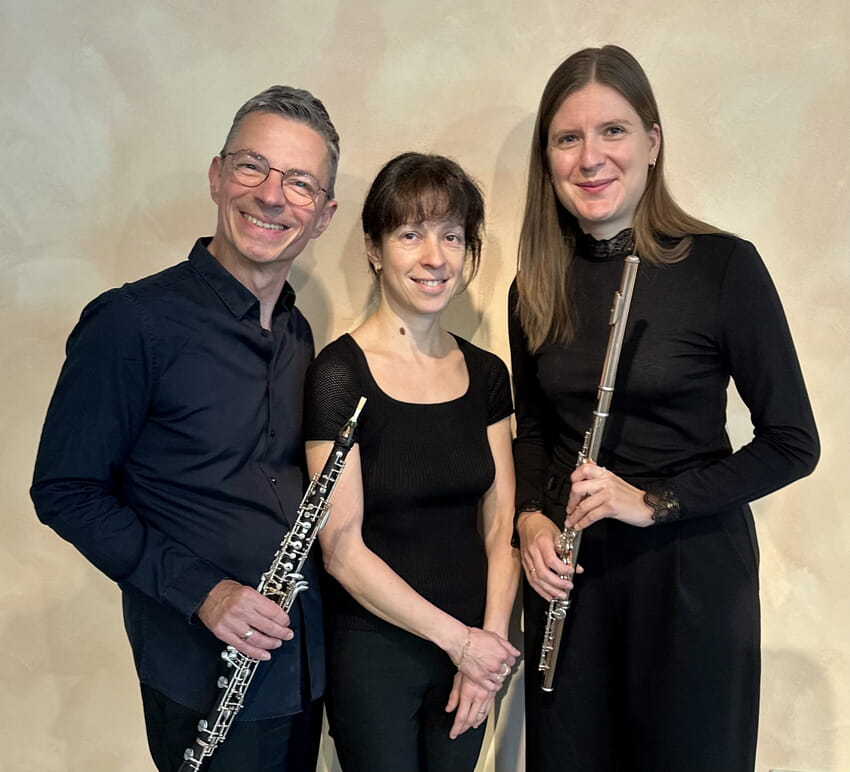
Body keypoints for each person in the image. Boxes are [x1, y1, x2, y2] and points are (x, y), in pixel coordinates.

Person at [509, 45, 819, 772]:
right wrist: (528, 520)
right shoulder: (536, 287)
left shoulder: (722, 266)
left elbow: (792, 442)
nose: (591, 157)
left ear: (652, 141)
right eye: (568, 137)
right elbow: (534, 432)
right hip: (572, 584)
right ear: (547, 158)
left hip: (691, 578)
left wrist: (654, 501)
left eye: (612, 131)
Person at [30, 85, 339, 772]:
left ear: (323, 215)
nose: (271, 195)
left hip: (303, 668)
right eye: (252, 166)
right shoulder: (131, 323)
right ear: (217, 175)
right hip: (201, 675)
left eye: (299, 183)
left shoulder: (300, 336)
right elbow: (65, 490)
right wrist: (203, 590)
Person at [304, 152, 520, 772]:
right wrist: (461, 643)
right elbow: (340, 548)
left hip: (475, 651)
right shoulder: (339, 376)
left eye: (452, 236)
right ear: (375, 250)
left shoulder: (486, 375)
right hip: (376, 656)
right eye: (410, 234)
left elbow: (501, 523)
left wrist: (491, 647)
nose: (436, 257)